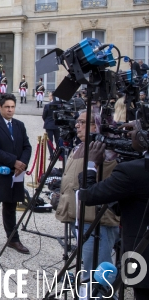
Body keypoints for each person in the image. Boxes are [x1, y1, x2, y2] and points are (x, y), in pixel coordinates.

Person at [79, 124, 149, 300]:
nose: (128, 134)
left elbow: (87, 196)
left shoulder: (133, 171)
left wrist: (91, 164)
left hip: (143, 256)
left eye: (135, 130)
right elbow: (125, 205)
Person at [54, 111, 119, 292]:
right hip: (81, 220)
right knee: (88, 270)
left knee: (98, 274)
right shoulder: (81, 146)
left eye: (83, 122)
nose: (77, 125)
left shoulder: (106, 151)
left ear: (96, 125)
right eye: (77, 122)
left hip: (98, 223)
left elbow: (101, 181)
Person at [0, 93, 32, 257]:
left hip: (15, 173)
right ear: (0, 107)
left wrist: (22, 163)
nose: (10, 110)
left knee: (11, 208)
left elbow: (27, 146)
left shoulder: (20, 125)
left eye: (12, 107)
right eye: (7, 107)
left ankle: (13, 238)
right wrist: (14, 161)